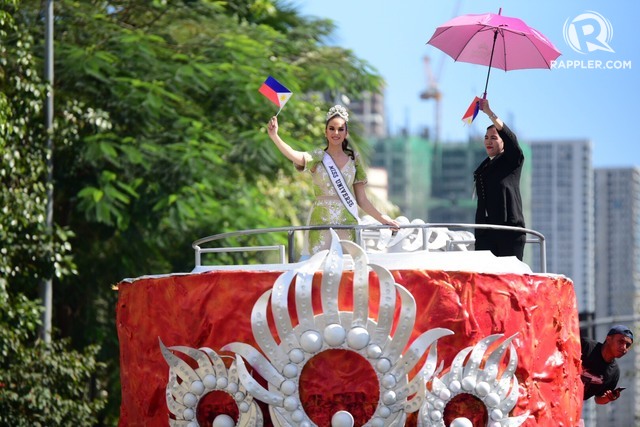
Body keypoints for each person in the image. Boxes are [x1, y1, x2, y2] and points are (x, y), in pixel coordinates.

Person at [267, 105, 398, 255]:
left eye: (341, 129)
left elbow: (362, 200)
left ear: (346, 133)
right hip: (321, 222)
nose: (336, 133)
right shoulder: (317, 157)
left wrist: (384, 220)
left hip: (347, 222)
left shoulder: (354, 159)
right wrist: (275, 136)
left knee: (348, 270)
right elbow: (293, 154)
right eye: (332, 128)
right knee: (318, 269)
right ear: (326, 132)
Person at [473, 99, 526, 260]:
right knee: (485, 281)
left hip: (509, 233)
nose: (488, 141)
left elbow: (511, 139)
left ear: (503, 143)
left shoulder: (512, 161)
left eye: (494, 138)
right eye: (486, 137)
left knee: (509, 282)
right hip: (485, 234)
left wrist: (489, 112)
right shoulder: (483, 168)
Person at [580, 325, 633, 404]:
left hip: (571, 404)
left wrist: (608, 398)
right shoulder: (586, 346)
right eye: (620, 341)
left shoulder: (614, 372)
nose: (624, 347)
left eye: (628, 345)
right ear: (608, 339)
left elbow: (598, 399)